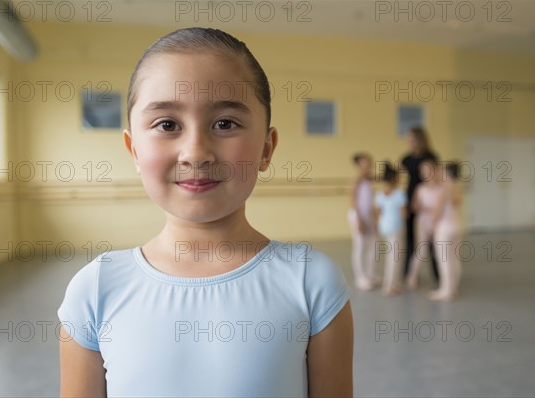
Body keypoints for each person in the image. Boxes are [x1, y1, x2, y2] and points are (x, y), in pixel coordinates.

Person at [57, 28, 353, 397]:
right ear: (133, 150)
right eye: (167, 125)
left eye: (225, 124)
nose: (196, 152)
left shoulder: (312, 283)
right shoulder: (96, 289)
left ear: (266, 148)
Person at [400, 126, 439, 283]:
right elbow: (395, 174)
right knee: (409, 238)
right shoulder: (406, 158)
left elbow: (438, 179)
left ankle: (439, 273)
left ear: (418, 139)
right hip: (410, 200)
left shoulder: (431, 156)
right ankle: (409, 273)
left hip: (427, 201)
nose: (408, 141)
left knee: (431, 239)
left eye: (411, 138)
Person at [405, 158, 444, 290]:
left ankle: (444, 277)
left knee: (440, 250)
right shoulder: (420, 188)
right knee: (421, 250)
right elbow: (414, 206)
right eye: (423, 171)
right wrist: (422, 207)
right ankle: (412, 276)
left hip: (438, 222)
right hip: (422, 221)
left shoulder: (441, 188)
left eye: (428, 170)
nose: (425, 173)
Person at [429, 162, 463, 301]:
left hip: (444, 229)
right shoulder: (456, 187)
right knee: (455, 259)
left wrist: (432, 225)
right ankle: (453, 288)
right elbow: (456, 204)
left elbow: (437, 211)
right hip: (456, 226)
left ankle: (446, 291)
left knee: (444, 260)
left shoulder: (444, 189)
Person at [347, 152, 381, 290]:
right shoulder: (357, 180)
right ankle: (360, 278)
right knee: (360, 245)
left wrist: (374, 217)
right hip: (358, 216)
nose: (369, 162)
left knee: (375, 244)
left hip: (369, 216)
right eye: (366, 161)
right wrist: (359, 219)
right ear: (360, 163)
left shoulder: (369, 179)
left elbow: (370, 200)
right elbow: (353, 201)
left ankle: (370, 274)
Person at [374, 164, 407, 296]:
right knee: (394, 258)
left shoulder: (380, 194)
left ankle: (393, 283)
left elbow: (377, 212)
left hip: (384, 227)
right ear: (396, 179)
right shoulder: (399, 194)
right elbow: (404, 213)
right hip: (396, 227)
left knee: (390, 256)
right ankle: (389, 286)